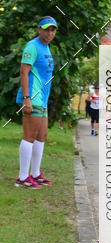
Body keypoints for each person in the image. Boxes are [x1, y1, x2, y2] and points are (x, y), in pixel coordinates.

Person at [15, 16, 57, 188]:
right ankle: (23, 177)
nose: (50, 32)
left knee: (42, 136)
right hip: (32, 97)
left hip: (43, 99)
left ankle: (35, 173)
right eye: (46, 29)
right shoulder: (32, 46)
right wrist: (26, 99)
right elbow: (24, 73)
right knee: (30, 136)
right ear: (39, 29)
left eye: (53, 30)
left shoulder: (46, 47)